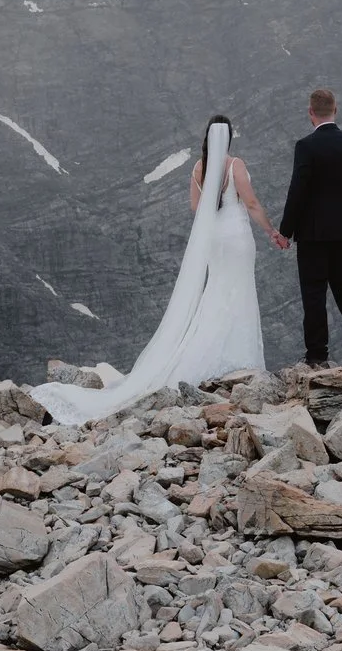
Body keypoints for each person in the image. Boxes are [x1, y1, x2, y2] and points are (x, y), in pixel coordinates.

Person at [29, 113, 279, 426]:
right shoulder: (235, 165)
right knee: (239, 293)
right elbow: (252, 203)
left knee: (215, 291)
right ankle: (239, 363)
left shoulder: (199, 168)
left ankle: (209, 360)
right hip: (237, 237)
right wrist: (272, 231)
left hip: (216, 239)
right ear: (228, 137)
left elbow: (194, 208)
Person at [274, 87, 342, 370]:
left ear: (311, 113)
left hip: (313, 233)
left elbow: (298, 191)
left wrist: (286, 231)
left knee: (314, 291)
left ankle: (317, 355)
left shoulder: (306, 146)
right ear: (336, 109)